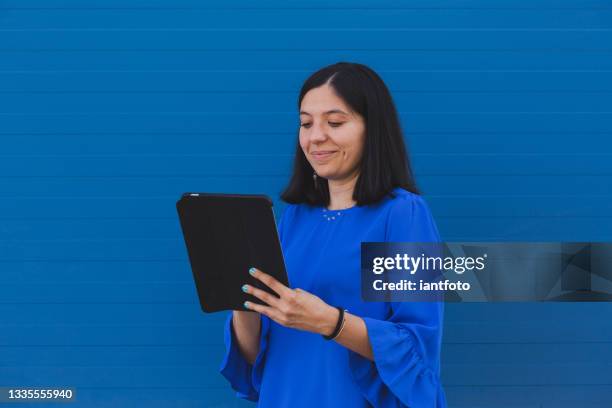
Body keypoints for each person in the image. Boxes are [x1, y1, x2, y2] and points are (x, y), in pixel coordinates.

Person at [219, 62, 446, 407]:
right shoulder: (295, 217)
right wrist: (243, 304)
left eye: (335, 122)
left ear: (373, 129)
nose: (316, 137)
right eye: (306, 123)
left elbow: (415, 348)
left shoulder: (401, 215)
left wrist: (331, 322)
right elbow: (256, 359)